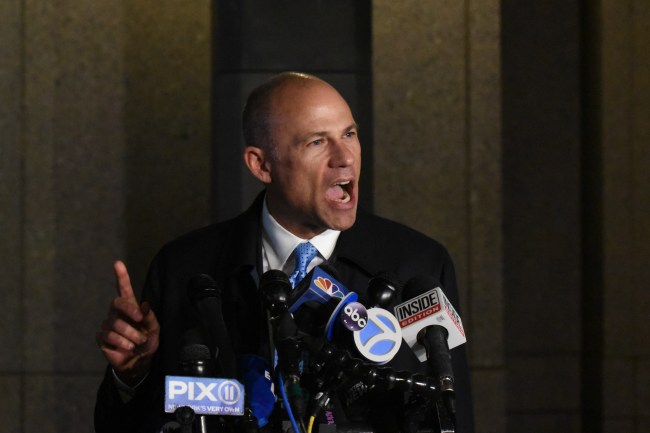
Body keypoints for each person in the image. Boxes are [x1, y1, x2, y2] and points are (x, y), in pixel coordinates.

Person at [94, 72, 474, 433]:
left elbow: (454, 416)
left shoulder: (418, 265)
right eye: (317, 142)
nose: (345, 157)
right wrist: (133, 376)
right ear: (261, 165)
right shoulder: (184, 267)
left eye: (349, 134)